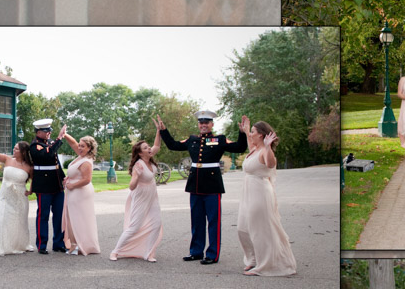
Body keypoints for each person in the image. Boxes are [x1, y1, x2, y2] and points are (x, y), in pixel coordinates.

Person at [157, 110, 249, 265]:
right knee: (197, 220)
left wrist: (242, 132)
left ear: (212, 124)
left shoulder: (219, 139)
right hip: (195, 184)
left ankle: (212, 254)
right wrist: (163, 130)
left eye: (207, 123)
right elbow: (173, 145)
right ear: (198, 124)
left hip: (212, 185)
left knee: (214, 221)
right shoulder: (192, 139)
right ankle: (196, 251)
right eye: (201, 123)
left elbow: (239, 147)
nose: (203, 125)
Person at [235, 120, 296, 277]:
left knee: (260, 229)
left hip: (260, 193)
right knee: (242, 228)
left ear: (261, 135)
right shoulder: (254, 150)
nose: (251, 135)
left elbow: (270, 164)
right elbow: (250, 142)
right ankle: (253, 259)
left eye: (253, 132)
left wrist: (268, 146)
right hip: (248, 193)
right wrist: (246, 130)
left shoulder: (265, 151)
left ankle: (265, 265)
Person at [110, 135, 164, 262]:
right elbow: (132, 186)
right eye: (146, 148)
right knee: (134, 226)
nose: (150, 148)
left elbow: (157, 145)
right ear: (140, 153)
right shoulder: (138, 165)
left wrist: (158, 131)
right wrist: (137, 176)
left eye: (148, 146)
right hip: (141, 196)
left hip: (152, 196)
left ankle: (149, 253)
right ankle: (115, 251)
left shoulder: (149, 157)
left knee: (156, 224)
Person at [27, 119, 70, 254]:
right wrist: (59, 138)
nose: (49, 133)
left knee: (59, 215)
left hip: (56, 184)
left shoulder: (51, 143)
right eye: (46, 131)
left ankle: (58, 243)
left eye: (50, 131)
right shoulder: (35, 146)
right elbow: (48, 155)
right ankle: (42, 244)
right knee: (43, 215)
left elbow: (57, 164)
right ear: (39, 132)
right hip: (43, 185)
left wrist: (63, 177)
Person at [0, 140, 34, 255]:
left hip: (20, 197)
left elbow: (34, 179)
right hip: (6, 195)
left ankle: (20, 244)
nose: (14, 150)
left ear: (23, 152)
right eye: (14, 148)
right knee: (3, 218)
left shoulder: (29, 166)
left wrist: (31, 191)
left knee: (19, 221)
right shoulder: (7, 159)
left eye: (17, 149)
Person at [58, 133, 100, 256]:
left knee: (77, 218)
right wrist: (64, 135)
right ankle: (75, 244)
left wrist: (72, 185)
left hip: (80, 192)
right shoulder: (80, 156)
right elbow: (73, 143)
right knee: (72, 218)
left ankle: (78, 245)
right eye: (80, 145)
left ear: (89, 148)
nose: (80, 148)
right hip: (73, 191)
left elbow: (87, 179)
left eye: (83, 146)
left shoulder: (86, 161)